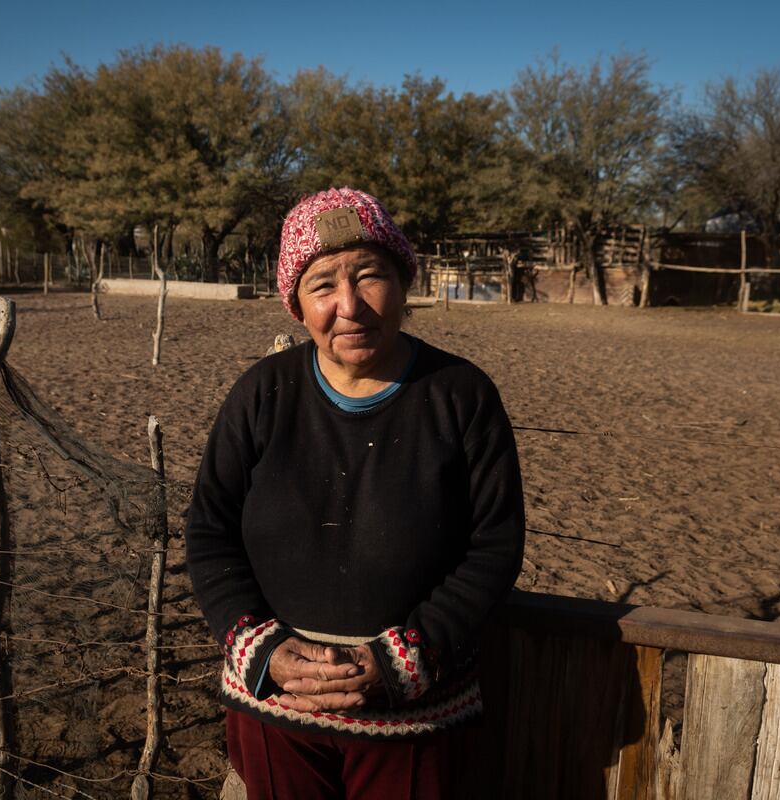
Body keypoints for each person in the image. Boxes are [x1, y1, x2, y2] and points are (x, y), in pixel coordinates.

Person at [185, 187, 525, 799]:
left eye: (369, 276)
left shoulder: (461, 396)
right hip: (277, 707)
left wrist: (405, 658)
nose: (350, 306)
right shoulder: (263, 395)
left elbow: (494, 546)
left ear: (403, 282)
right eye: (322, 286)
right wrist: (260, 648)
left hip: (414, 715)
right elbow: (210, 529)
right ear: (296, 304)